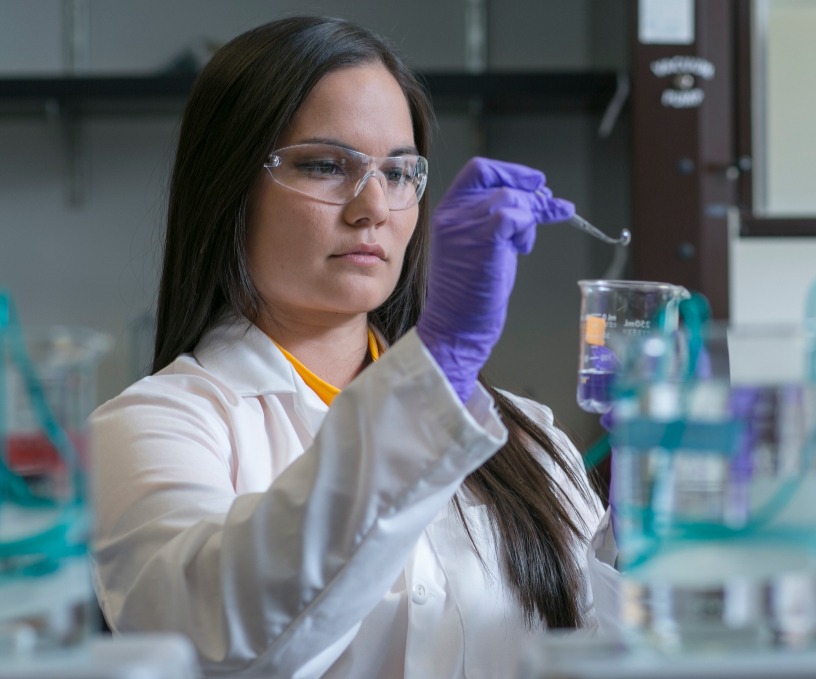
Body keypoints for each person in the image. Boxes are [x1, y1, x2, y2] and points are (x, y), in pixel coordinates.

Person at [89, 16, 617, 678]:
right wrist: (440, 361)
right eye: (323, 165)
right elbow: (216, 637)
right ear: (227, 186)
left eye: (398, 171)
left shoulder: (525, 436)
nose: (373, 206)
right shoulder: (154, 424)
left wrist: (654, 525)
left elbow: (612, 647)